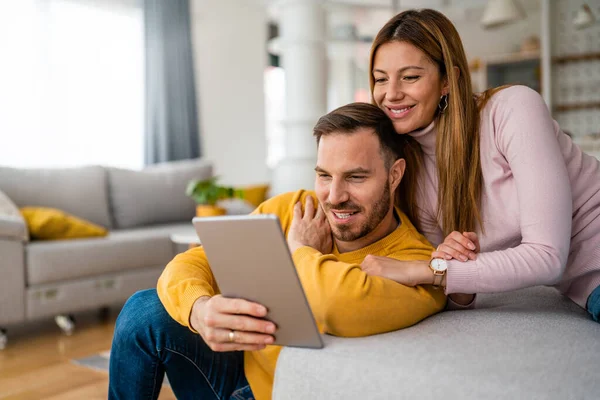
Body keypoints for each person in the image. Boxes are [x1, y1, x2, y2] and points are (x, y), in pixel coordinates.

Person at [108, 102, 447, 400]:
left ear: (394, 175)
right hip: (237, 375)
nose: (334, 196)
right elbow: (192, 262)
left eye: (356, 177)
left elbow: (332, 303)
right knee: (144, 310)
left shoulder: (416, 262)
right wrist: (200, 309)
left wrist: (298, 249)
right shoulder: (296, 208)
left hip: (288, 391)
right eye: (324, 176)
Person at [359, 8, 600, 321]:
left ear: (448, 80)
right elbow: (459, 296)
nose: (391, 94)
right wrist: (448, 261)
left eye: (410, 77)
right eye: (380, 80)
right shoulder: (409, 173)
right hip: (588, 289)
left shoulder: (512, 109)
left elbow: (548, 256)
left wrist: (428, 269)